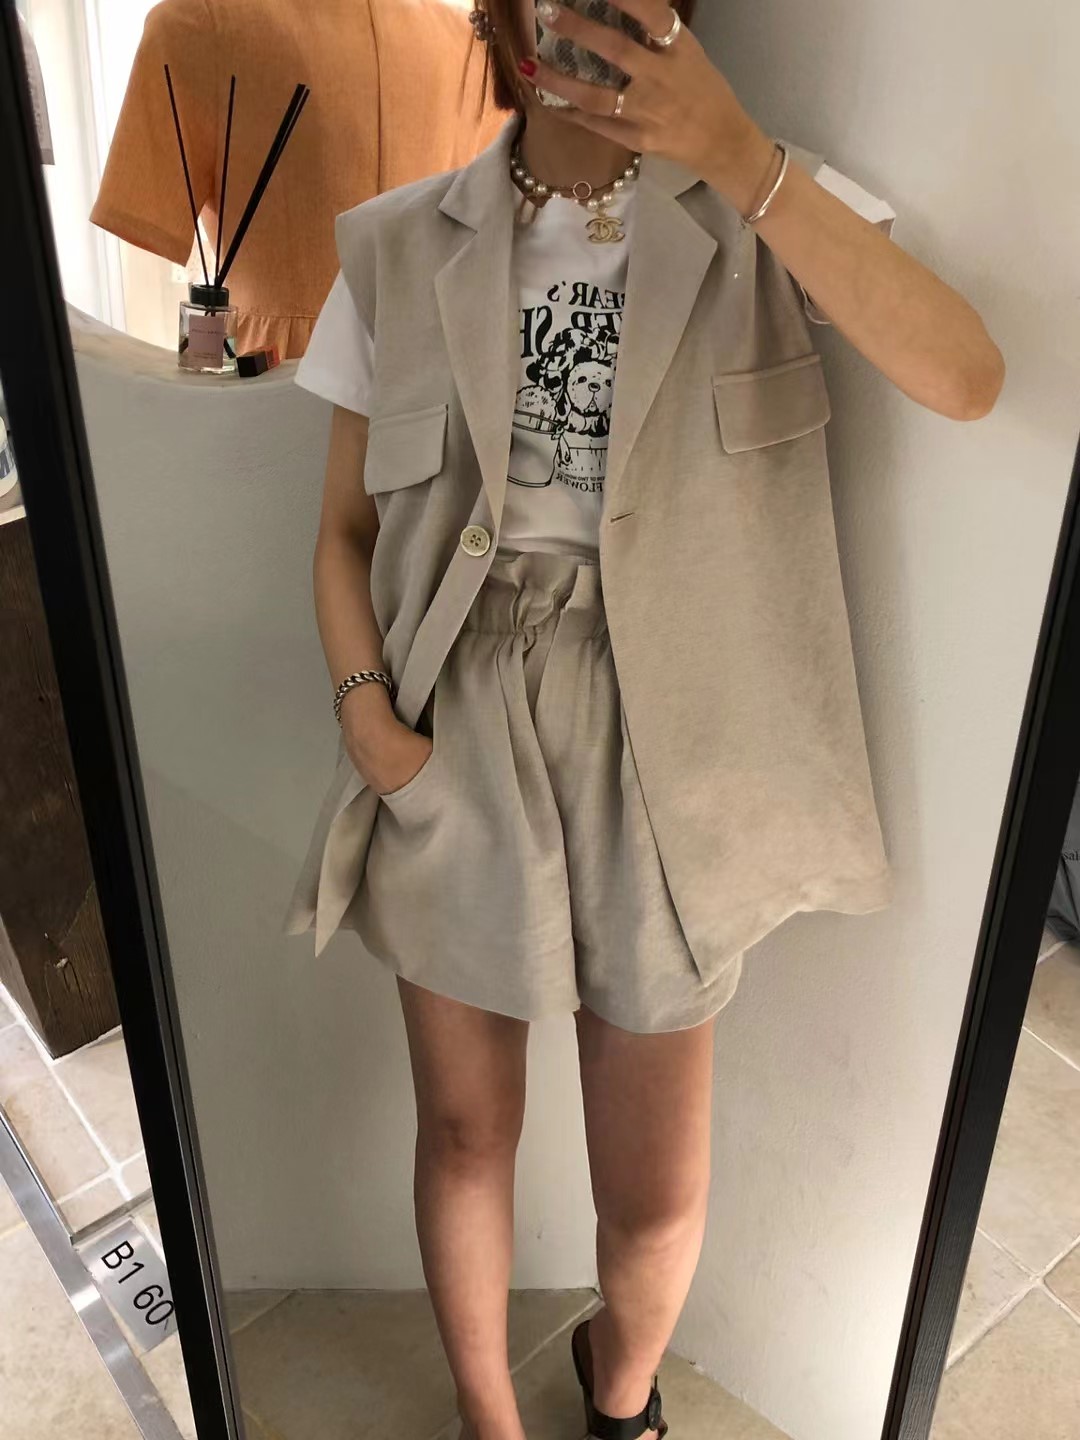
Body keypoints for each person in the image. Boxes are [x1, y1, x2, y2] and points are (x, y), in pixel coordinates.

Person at [287, 2, 1005, 1437]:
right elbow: (343, 532)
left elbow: (968, 380)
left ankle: (619, 1399)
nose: (597, 20)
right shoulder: (394, 247)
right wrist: (371, 725)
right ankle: (488, 1422)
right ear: (504, 16)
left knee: (660, 1192)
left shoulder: (762, 209)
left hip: (679, 734)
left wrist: (745, 159)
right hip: (457, 719)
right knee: (465, 1132)